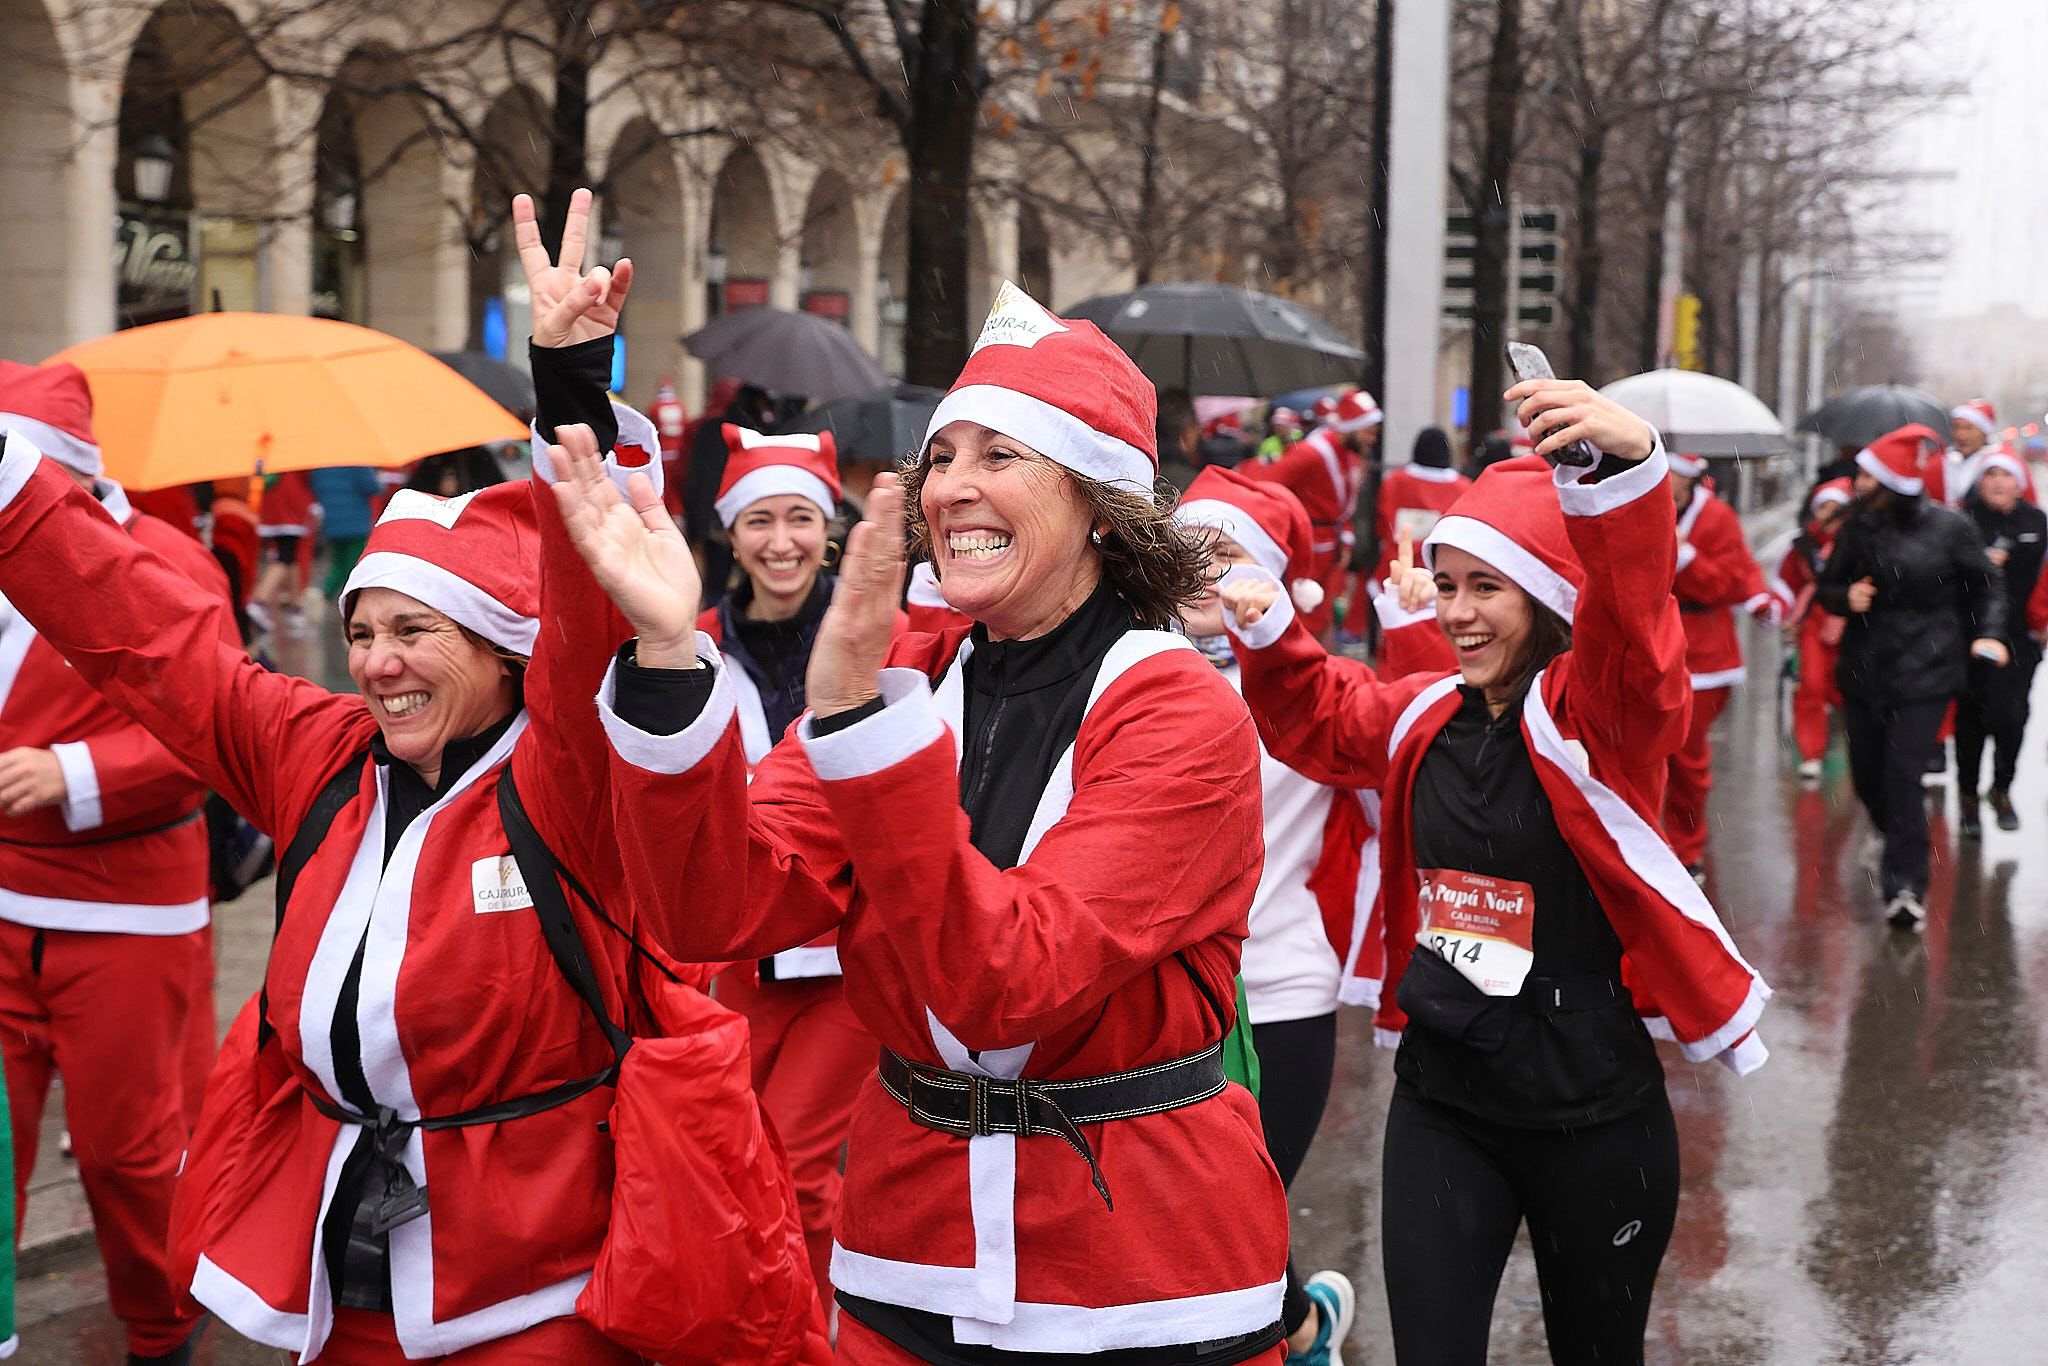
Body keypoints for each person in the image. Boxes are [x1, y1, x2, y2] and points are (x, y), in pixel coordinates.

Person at [0, 191, 816, 1362]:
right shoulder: (320, 753)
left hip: (534, 1289)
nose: (378, 662)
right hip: (343, 1269)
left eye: (415, 632)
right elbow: (153, 645)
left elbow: (584, 622)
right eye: (362, 631)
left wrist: (570, 387)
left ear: (504, 653)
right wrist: (10, 482)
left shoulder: (561, 776)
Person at [572, 282, 1292, 1362]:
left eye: (1000, 455)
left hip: (1141, 1276)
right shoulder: (912, 671)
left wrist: (858, 725)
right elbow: (713, 908)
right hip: (906, 1255)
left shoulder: (1181, 709)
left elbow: (1007, 980)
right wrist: (669, 658)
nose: (951, 486)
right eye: (942, 456)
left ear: (1100, 504)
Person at [1219, 379, 1769, 1366]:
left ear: (1547, 595)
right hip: (1443, 1106)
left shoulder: (1598, 723)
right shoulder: (1420, 714)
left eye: (1487, 588)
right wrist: (1266, 629)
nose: (1458, 613)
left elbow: (1636, 632)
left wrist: (1630, 473)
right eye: (1447, 586)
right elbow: (1317, 711)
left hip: (1593, 1113)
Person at [0, 361, 234, 1366]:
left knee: (127, 1154)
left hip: (129, 912)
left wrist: (73, 771)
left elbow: (218, 729)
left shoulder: (169, 564)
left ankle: (162, 1325)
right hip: (5, 898)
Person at [1176, 467, 1398, 1366]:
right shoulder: (1115, 674)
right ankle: (1307, 1327)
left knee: (1229, 1222)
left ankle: (1296, 1330)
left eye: (1228, 554)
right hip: (1158, 1005)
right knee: (1190, 1229)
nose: (1205, 570)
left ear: (1274, 578)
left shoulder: (1321, 692)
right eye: (1188, 549)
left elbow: (1418, 763)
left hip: (1279, 993)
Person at [696, 423, 894, 1314]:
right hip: (738, 954)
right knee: (729, 1158)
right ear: (731, 534)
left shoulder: (877, 636)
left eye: (801, 519)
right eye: (761, 521)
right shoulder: (694, 645)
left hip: (844, 955)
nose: (782, 542)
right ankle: (756, 1324)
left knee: (798, 1163)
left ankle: (810, 1337)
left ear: (830, 531)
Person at [1815, 424, 2008, 931]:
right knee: (1867, 776)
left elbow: (1988, 586)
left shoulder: (1950, 527)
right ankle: (1895, 835)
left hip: (1927, 669)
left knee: (1903, 776)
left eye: (1867, 476)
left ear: (1891, 483)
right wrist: (1844, 597)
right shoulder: (1858, 529)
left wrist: (1988, 635)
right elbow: (1827, 586)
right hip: (1864, 669)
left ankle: (1906, 886)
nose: (1858, 483)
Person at [1664, 451, 1776, 881]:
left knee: (1686, 756)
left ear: (1688, 477)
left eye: (1671, 472)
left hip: (1705, 654)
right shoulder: (1640, 508)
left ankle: (1686, 848)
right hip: (1650, 648)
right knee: (1643, 757)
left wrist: (1687, 557)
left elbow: (1727, 583)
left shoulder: (1717, 518)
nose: (1663, 478)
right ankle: (1647, 846)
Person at [1956, 450, 2046, 835]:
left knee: (2012, 717)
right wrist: (1978, 565)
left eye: (2005, 475)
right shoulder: (1962, 520)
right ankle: (1968, 798)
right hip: (1970, 635)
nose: (1997, 481)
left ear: (2019, 483)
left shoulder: (2036, 521)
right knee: (1972, 718)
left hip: (2021, 636)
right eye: (1989, 474)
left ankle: (2002, 787)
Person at [1248, 389, 1381, 640]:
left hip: (1333, 550)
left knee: (1326, 616)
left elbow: (1344, 507)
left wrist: (1346, 541)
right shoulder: (1311, 452)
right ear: (1351, 426)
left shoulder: (1349, 454)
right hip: (1309, 552)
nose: (1372, 439)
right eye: (1369, 432)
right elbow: (1267, 483)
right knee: (1305, 618)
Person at [1771, 479, 1853, 782]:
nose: (1829, 514)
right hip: (1813, 624)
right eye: (1824, 508)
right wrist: (1784, 612)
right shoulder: (1802, 545)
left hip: (1850, 624)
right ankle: (1811, 753)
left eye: (1835, 508)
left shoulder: (1857, 541)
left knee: (1847, 690)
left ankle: (1855, 751)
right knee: (1811, 686)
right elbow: (1786, 582)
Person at [683, 378, 775, 596]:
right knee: (753, 587)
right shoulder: (758, 433)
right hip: (748, 519)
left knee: (715, 587)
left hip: (713, 522)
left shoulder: (709, 429)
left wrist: (696, 529)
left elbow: (695, 481)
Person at [1370, 426, 1469, 595]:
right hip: (1442, 575)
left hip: (1395, 570)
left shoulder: (1394, 482)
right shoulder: (1463, 489)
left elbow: (1382, 526)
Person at [1929, 398, 2035, 507]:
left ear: (1984, 432)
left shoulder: (2004, 462)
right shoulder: (1939, 463)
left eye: (1968, 428)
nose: (1961, 434)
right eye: (1957, 427)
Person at [307, 464, 386, 600]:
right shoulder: (356, 462)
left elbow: (315, 487)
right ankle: (349, 598)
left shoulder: (320, 465)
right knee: (353, 564)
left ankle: (321, 594)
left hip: (331, 519)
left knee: (338, 564)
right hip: (355, 520)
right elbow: (371, 487)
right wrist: (379, 482)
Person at [252, 468, 315, 633]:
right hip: (292, 506)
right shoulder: (293, 461)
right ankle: (259, 600)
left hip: (273, 505)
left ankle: (296, 606)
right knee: (285, 556)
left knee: (291, 557)